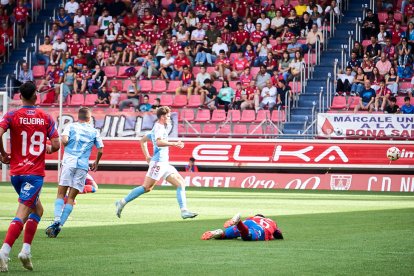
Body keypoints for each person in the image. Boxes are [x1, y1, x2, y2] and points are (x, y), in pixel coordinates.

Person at [0, 82, 60, 272]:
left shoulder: (11, 115)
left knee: (38, 210)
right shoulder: (45, 117)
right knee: (22, 213)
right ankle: (4, 252)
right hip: (33, 175)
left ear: (20, 97)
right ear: (36, 96)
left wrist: (2, 153)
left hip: (16, 173)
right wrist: (48, 147)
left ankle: (26, 251)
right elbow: (56, 144)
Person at [115, 106, 198, 220]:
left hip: (164, 163)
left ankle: (184, 211)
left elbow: (143, 140)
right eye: (168, 116)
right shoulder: (159, 128)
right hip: (158, 163)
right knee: (146, 188)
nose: (169, 118)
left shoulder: (158, 127)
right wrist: (174, 144)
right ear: (163, 117)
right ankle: (122, 202)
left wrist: (147, 157)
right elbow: (158, 142)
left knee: (181, 183)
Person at [46, 107, 104, 238]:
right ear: (89, 119)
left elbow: (65, 140)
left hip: (69, 163)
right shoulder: (94, 131)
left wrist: (67, 144)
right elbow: (100, 150)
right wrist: (96, 162)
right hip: (82, 166)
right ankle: (59, 225)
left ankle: (56, 219)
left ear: (78, 117)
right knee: (71, 198)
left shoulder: (70, 126)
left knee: (61, 193)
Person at [201, 213, 283, 241]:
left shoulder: (252, 218)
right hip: (261, 229)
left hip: (248, 222)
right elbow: (278, 234)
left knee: (224, 235)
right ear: (264, 217)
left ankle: (218, 233)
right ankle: (238, 222)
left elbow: (248, 222)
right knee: (247, 237)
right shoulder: (271, 221)